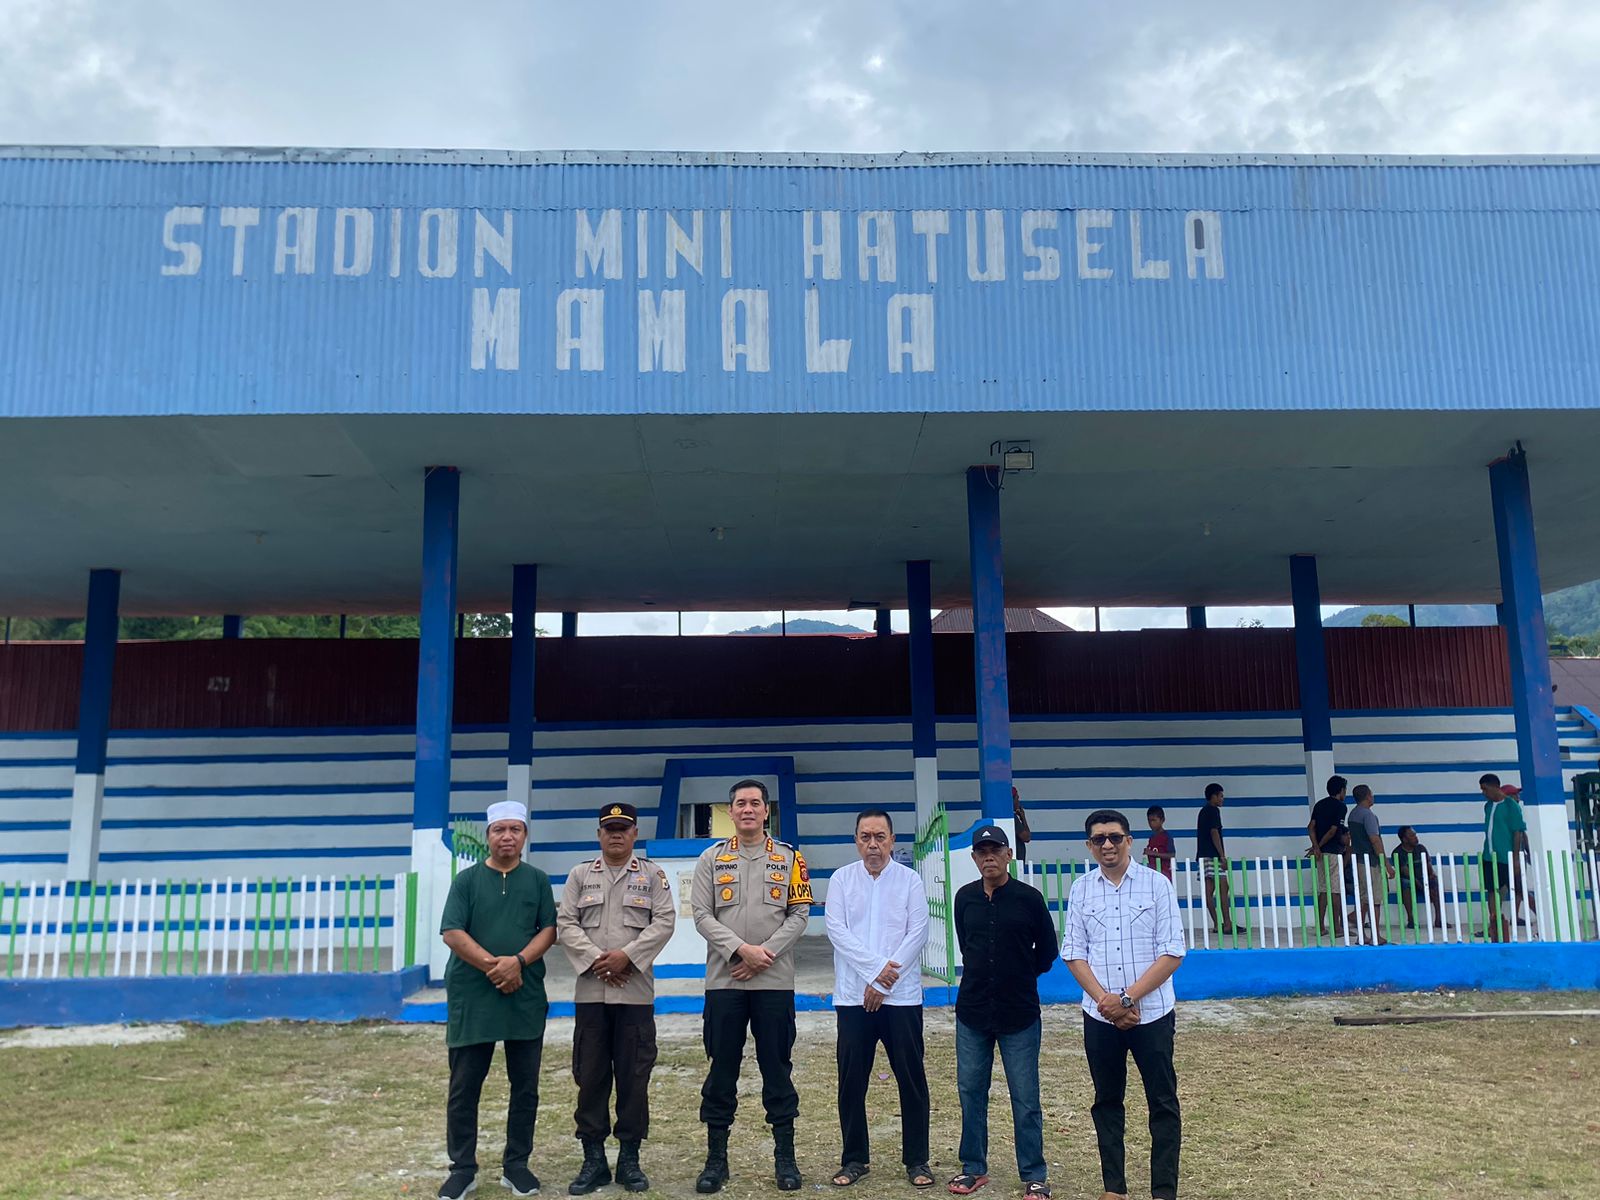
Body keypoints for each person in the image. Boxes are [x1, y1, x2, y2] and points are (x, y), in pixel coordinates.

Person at [691, 779, 812, 1193]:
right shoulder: (711, 858)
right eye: (740, 803)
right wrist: (741, 950)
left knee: (777, 1069)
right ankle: (716, 1161)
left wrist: (764, 955)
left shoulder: (790, 858)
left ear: (766, 811)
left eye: (755, 803)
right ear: (730, 811)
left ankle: (785, 1159)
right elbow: (701, 915)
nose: (747, 809)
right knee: (721, 1071)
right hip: (725, 980)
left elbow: (799, 914)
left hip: (773, 982)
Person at [437, 800, 559, 1200]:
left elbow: (548, 930)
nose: (507, 837)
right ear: (488, 835)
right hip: (474, 995)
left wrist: (518, 963)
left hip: (524, 993)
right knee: (464, 1087)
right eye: (499, 830)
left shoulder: (537, 880)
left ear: (525, 835)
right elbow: (453, 932)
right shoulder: (467, 881)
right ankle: (462, 1169)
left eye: (515, 829)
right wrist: (497, 967)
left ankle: (516, 1165)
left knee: (525, 1086)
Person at [1064, 809, 1186, 1200]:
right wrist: (1106, 1002)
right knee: (1106, 1101)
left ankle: (1163, 1191)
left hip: (1152, 1014)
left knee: (1162, 1102)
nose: (1108, 845)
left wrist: (1127, 998)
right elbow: (1073, 952)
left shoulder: (1156, 885)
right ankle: (1114, 1188)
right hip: (1100, 1016)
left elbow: (1172, 951)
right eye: (1099, 839)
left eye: (1115, 837)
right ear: (1089, 845)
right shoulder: (1081, 889)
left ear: (1129, 841)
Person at [556, 803, 677, 1194]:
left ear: (635, 833)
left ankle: (629, 1159)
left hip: (634, 993)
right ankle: (593, 1160)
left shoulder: (653, 875)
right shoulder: (579, 875)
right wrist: (598, 960)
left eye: (623, 828)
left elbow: (664, 922)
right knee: (590, 1077)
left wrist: (628, 957)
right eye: (609, 829)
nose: (616, 835)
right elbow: (565, 924)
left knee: (634, 1078)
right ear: (599, 834)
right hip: (591, 992)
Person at [824, 809, 934, 1189]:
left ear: (892, 840)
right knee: (851, 1080)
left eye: (880, 837)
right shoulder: (841, 880)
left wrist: (884, 983)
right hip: (853, 997)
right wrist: (875, 973)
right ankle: (854, 1158)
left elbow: (917, 933)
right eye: (865, 837)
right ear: (856, 840)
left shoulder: (910, 881)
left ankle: (917, 1160)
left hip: (901, 998)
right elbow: (837, 931)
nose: (873, 844)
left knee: (911, 1078)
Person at [948, 823, 1059, 1199]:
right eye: (982, 852)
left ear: (1009, 855)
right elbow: (967, 945)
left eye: (996, 850)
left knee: (1025, 1097)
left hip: (1019, 1013)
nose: (989, 857)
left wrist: (1019, 973)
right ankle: (973, 1168)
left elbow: (1047, 951)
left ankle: (1034, 1173)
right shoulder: (964, 898)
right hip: (973, 1011)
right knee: (971, 1091)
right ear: (974, 857)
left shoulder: (1029, 899)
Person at [1479, 773, 1528, 942]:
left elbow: (1517, 832)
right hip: (1489, 856)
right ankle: (1494, 923)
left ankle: (1543, 918)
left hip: (1506, 857)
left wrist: (1515, 858)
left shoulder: (1511, 806)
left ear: (1494, 787)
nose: (1484, 793)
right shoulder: (1487, 806)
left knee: (1520, 890)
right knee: (1492, 890)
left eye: (1485, 789)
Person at [1346, 785, 1395, 945]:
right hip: (1371, 862)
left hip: (1358, 861)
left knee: (1363, 899)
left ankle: (1362, 936)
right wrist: (1386, 864)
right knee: (1374, 900)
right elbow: (1375, 840)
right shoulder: (1368, 815)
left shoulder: (1353, 814)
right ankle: (1375, 935)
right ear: (1367, 796)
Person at [1308, 776, 1350, 940]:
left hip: (1321, 855)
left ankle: (1320, 927)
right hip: (1332, 851)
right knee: (1335, 890)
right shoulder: (1341, 807)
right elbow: (1333, 831)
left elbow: (1311, 827)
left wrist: (1316, 846)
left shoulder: (1319, 804)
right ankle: (1337, 927)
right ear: (1341, 790)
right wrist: (1318, 846)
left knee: (1324, 889)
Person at [1195, 784, 1232, 935]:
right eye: (1221, 796)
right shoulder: (1213, 810)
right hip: (1212, 855)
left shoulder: (1203, 811)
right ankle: (1227, 923)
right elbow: (1214, 832)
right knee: (1224, 886)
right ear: (1214, 796)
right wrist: (1222, 856)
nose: (1222, 799)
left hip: (1202, 854)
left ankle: (1217, 924)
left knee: (1209, 891)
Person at [1391, 826, 1442, 930]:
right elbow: (1407, 874)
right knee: (1405, 883)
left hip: (1422, 878)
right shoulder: (1397, 852)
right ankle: (1411, 919)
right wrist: (1423, 888)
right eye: (1412, 835)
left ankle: (1439, 919)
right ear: (1404, 839)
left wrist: (1431, 875)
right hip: (1410, 880)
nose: (1416, 837)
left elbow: (1428, 865)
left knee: (1434, 881)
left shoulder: (1421, 848)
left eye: (1415, 835)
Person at [1142, 806, 1174, 881]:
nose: (1151, 823)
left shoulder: (1166, 836)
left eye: (1154, 820)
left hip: (1164, 874)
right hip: (1152, 873)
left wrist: (1153, 853)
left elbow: (1172, 855)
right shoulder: (1152, 838)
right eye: (1149, 820)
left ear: (1162, 820)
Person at [1012, 786, 1033, 865]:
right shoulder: (1013, 818)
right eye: (1017, 799)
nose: (1018, 802)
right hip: (1016, 863)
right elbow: (1026, 837)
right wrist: (1023, 817)